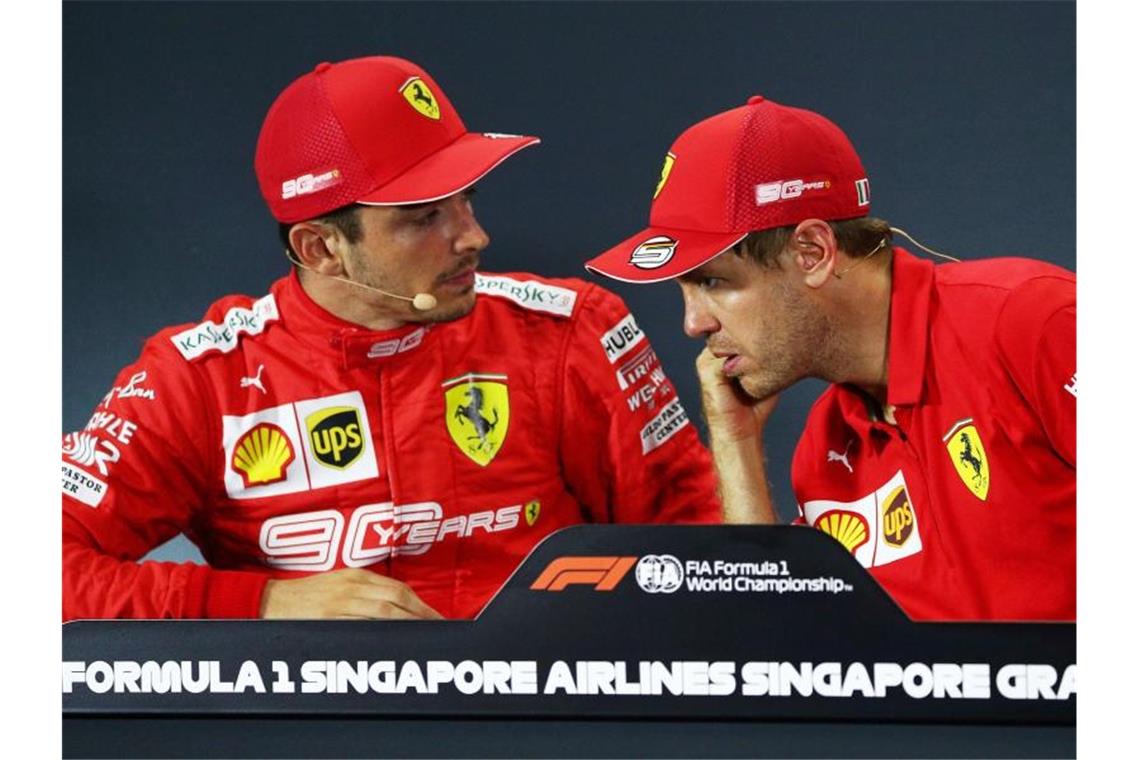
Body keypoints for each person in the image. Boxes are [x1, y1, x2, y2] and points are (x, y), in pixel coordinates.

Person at [62, 56, 718, 621]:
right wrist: (263, 602)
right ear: (321, 249)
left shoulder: (573, 329)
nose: (473, 237)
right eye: (425, 216)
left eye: (466, 199)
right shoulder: (199, 379)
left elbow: (704, 556)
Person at [586, 95, 1075, 621]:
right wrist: (736, 445)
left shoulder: (1032, 322)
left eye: (713, 282)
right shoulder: (827, 445)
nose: (693, 324)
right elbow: (779, 663)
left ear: (813, 253)